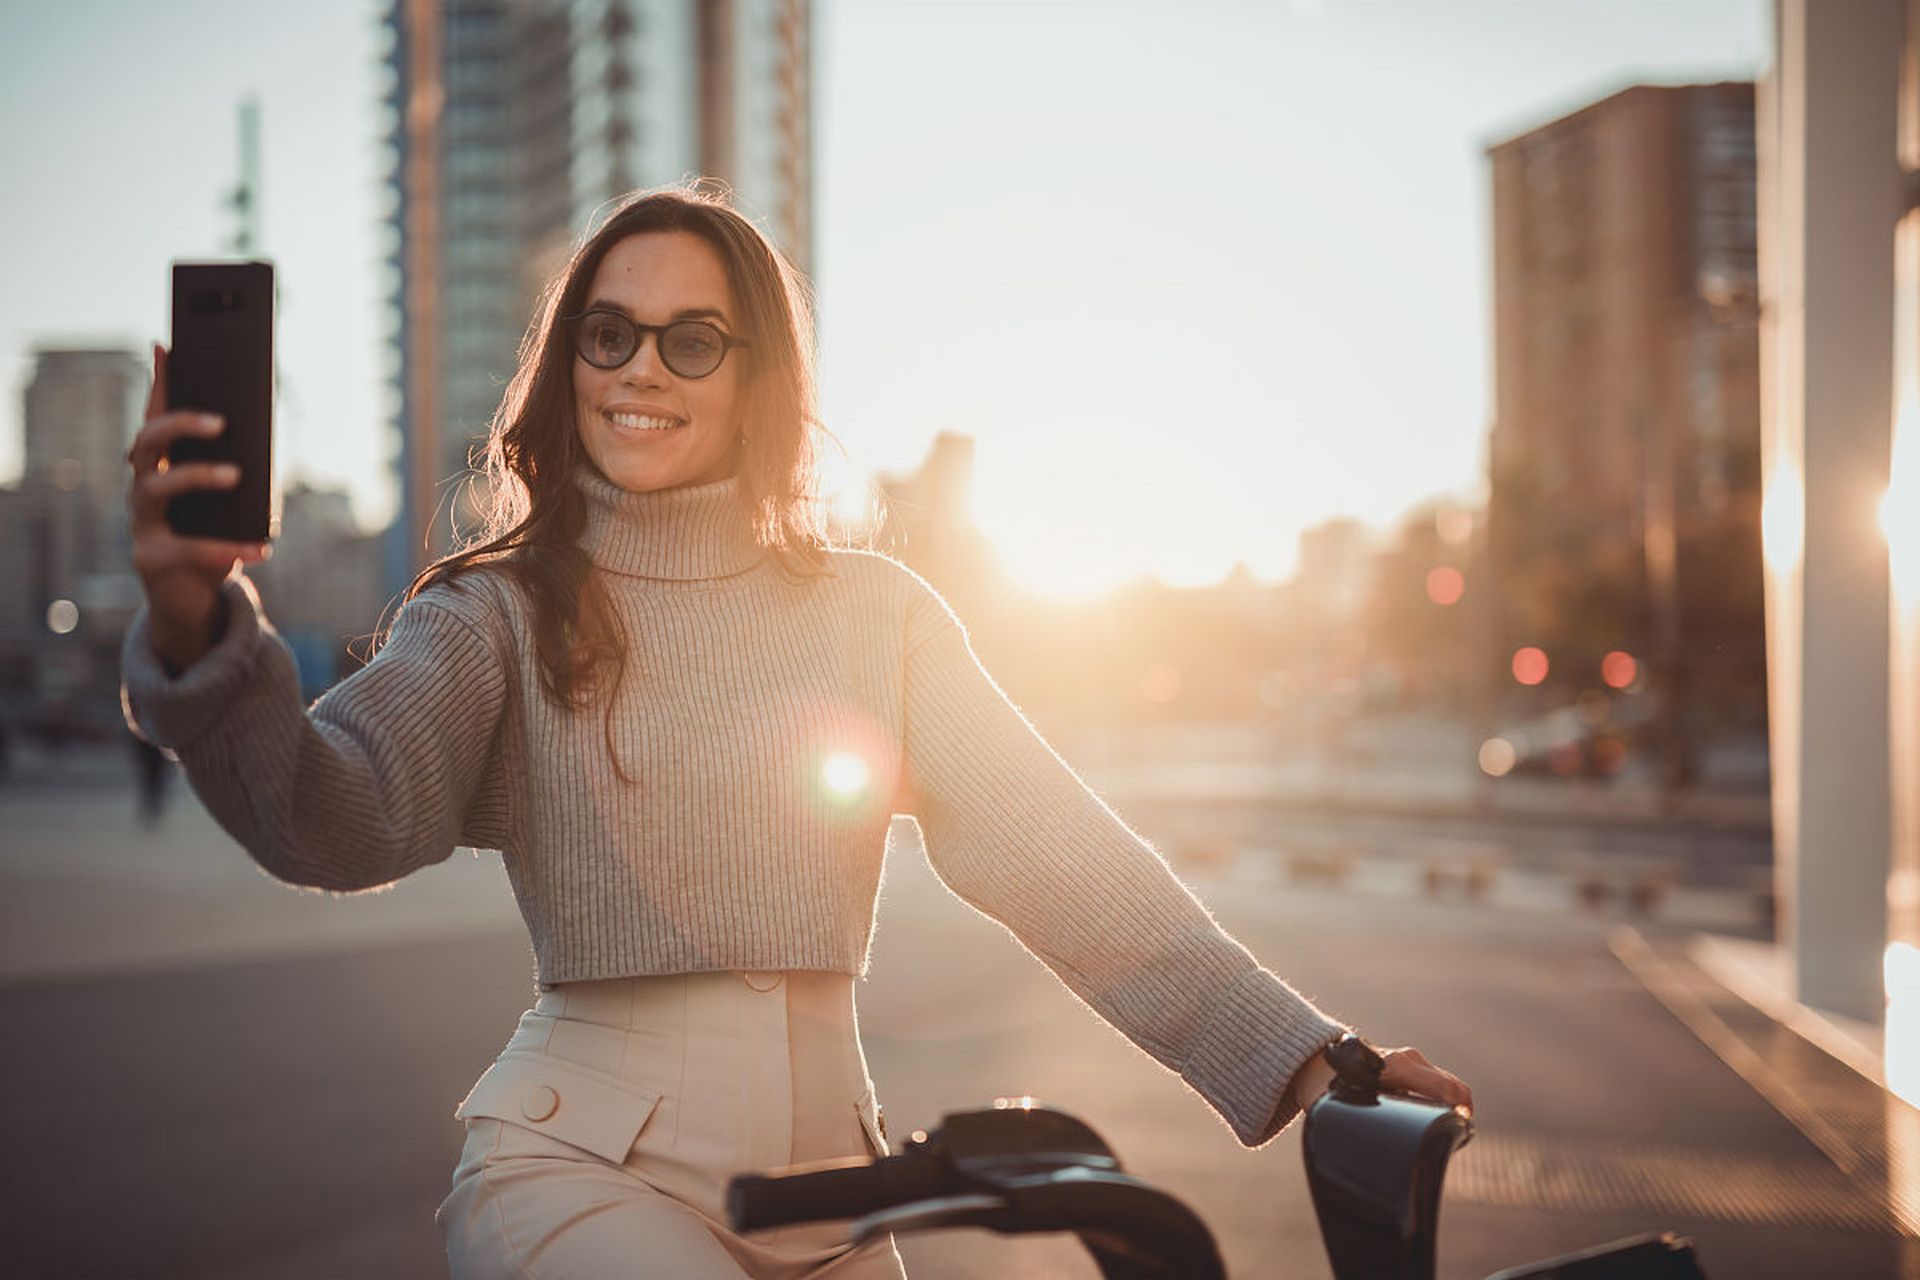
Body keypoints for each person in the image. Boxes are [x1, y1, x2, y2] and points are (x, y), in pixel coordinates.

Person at [121, 184, 1471, 1279]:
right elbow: (330, 812)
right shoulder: (498, 611)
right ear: (568, 359)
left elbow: (1060, 855)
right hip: (574, 1172)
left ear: (756, 372)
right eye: (609, 333)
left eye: (691, 338)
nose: (641, 368)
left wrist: (1312, 1055)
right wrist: (199, 628)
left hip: (837, 1198)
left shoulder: (874, 614)